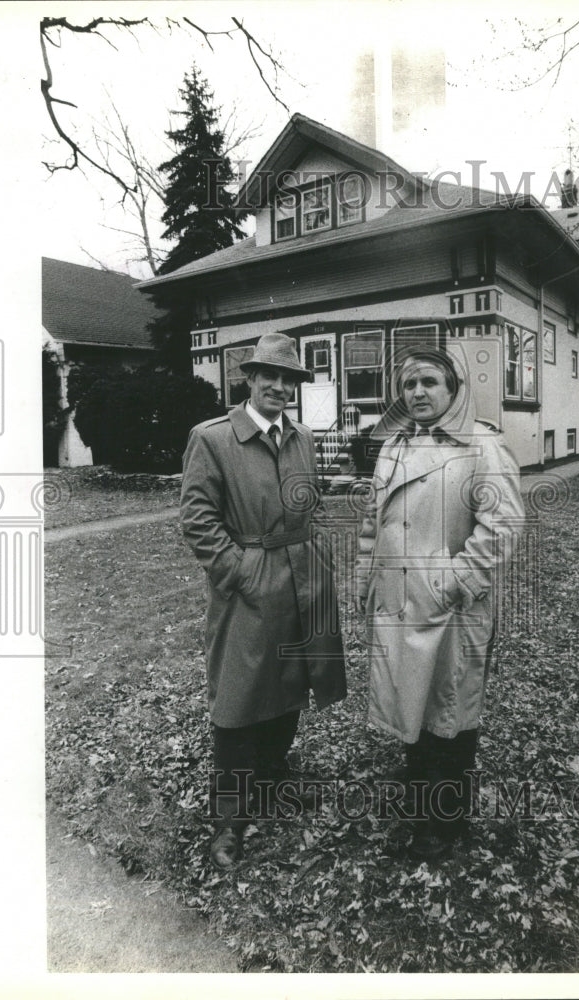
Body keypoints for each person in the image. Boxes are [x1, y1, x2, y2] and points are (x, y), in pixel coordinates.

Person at [180, 332, 346, 869]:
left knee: (291, 680)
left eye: (288, 378)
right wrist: (241, 572)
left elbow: (311, 502)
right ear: (248, 379)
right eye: (268, 376)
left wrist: (317, 556)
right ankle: (229, 819)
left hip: (302, 575)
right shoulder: (213, 438)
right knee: (237, 695)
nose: (278, 386)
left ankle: (273, 779)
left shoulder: (301, 436)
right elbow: (198, 520)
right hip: (249, 584)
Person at [356, 345, 524, 863]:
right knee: (412, 698)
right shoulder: (393, 446)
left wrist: (450, 583)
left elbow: (503, 526)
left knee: (449, 709)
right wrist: (367, 581)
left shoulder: (480, 446)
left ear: (453, 389)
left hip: (449, 608)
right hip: (396, 600)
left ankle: (444, 820)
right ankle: (418, 791)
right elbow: (373, 522)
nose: (418, 393)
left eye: (429, 382)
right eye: (408, 385)